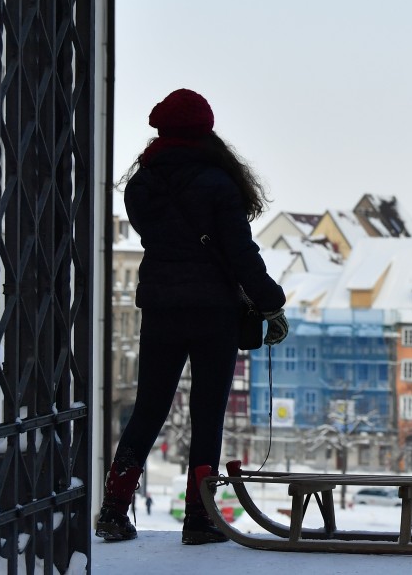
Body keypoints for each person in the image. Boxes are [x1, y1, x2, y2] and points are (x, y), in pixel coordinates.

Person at [95, 89, 289, 546]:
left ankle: (113, 510)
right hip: (212, 313)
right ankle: (200, 518)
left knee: (147, 409)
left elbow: (159, 239)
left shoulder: (141, 184)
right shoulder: (219, 183)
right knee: (206, 415)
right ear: (205, 130)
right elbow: (240, 254)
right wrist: (271, 303)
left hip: (161, 308)